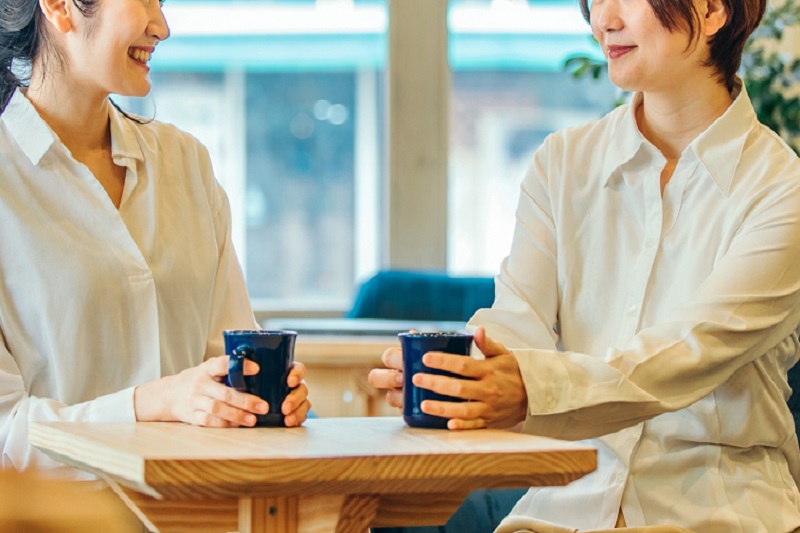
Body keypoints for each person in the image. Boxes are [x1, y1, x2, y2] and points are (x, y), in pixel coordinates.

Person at [370, 0, 800, 531]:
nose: (604, 19)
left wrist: (526, 389)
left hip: (717, 514)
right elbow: (516, 320)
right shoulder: (561, 164)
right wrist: (460, 375)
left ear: (713, 10)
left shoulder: (783, 191)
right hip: (559, 512)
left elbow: (689, 354)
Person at [0, 0, 311, 481]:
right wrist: (156, 404)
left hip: (204, 512)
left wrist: (259, 399)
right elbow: (7, 434)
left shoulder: (186, 162)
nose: (161, 26)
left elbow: (226, 362)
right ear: (60, 7)